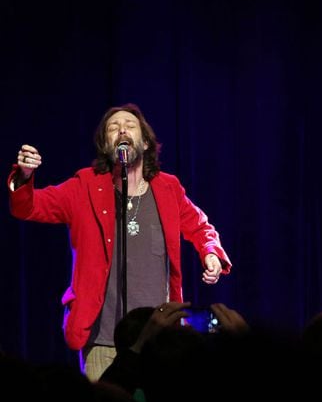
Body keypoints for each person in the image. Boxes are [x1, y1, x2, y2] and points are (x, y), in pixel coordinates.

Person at [8, 103, 231, 381]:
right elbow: (29, 207)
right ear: (105, 144)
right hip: (103, 339)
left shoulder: (168, 188)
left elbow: (200, 227)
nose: (122, 129)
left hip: (160, 339)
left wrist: (210, 253)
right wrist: (25, 177)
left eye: (129, 125)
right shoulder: (84, 186)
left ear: (146, 142)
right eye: (113, 128)